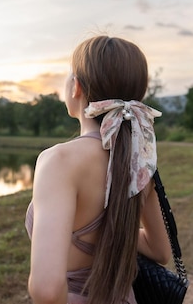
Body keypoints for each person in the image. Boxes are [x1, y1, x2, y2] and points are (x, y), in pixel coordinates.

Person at [25, 35, 172, 304]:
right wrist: (111, 228)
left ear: (76, 87)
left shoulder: (58, 161)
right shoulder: (140, 160)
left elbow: (47, 290)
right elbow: (160, 250)